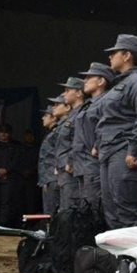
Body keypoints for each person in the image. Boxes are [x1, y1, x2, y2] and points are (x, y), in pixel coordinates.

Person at [97, 34, 137, 229]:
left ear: (127, 55)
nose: (110, 57)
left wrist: (134, 150)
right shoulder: (121, 84)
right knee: (111, 209)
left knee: (128, 211)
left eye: (114, 53)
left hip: (124, 152)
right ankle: (120, 259)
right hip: (110, 152)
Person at [75, 62, 115, 210]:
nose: (84, 81)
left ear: (101, 81)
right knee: (85, 208)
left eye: (89, 77)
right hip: (83, 164)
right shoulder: (89, 105)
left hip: (94, 162)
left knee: (96, 206)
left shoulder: (105, 101)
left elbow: (107, 125)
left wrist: (97, 145)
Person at [55, 76, 87, 210]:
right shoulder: (72, 115)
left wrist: (70, 160)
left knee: (71, 207)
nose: (64, 94)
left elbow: (78, 140)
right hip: (64, 167)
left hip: (73, 167)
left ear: (79, 93)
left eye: (68, 90)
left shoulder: (83, 113)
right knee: (64, 207)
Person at [38, 105, 60, 216]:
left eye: (46, 115)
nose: (43, 118)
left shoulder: (57, 133)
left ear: (53, 117)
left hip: (53, 176)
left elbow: (58, 154)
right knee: (49, 209)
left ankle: (53, 233)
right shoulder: (50, 133)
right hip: (48, 176)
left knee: (52, 210)